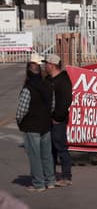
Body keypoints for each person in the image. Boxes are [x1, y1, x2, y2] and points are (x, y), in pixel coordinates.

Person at [16, 53, 56, 192]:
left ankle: (38, 183)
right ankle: (50, 180)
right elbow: (52, 106)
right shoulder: (47, 85)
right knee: (47, 155)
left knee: (35, 156)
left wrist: (19, 122)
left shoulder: (28, 89)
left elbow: (21, 110)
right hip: (45, 125)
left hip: (32, 126)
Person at [44, 53, 73, 187]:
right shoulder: (48, 80)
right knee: (51, 149)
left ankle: (66, 176)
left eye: (47, 64)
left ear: (52, 65)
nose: (45, 66)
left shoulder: (63, 80)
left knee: (61, 147)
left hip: (58, 121)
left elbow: (66, 101)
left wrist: (57, 117)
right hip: (47, 120)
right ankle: (51, 175)